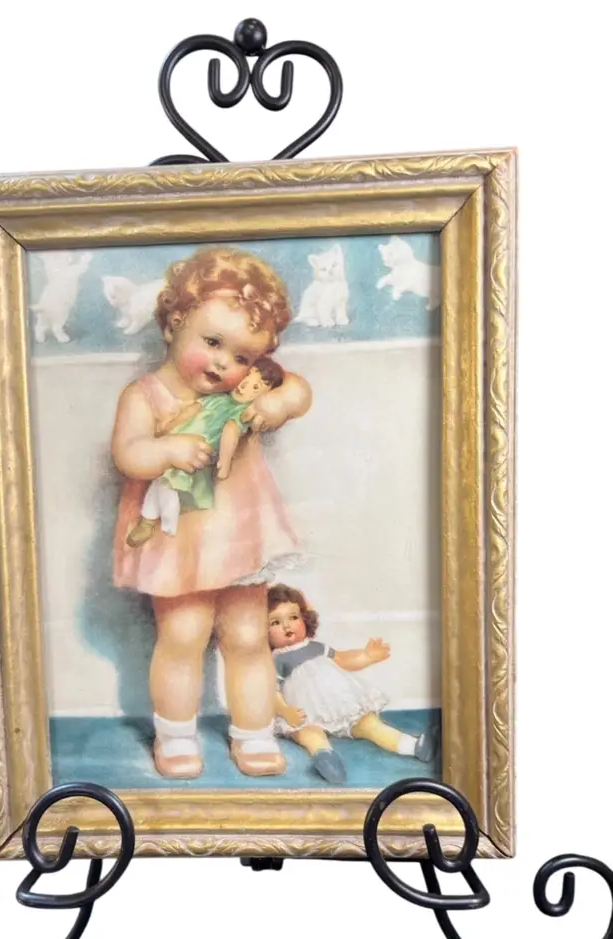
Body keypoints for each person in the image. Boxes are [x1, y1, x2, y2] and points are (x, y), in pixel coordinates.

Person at [111, 246, 312, 779]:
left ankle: (254, 732)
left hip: (240, 538)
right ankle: (176, 735)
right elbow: (128, 453)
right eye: (213, 343)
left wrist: (277, 403)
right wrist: (166, 449)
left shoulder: (244, 394)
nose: (225, 364)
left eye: (243, 357)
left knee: (247, 637)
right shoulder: (146, 394)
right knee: (183, 635)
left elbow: (297, 389)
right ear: (175, 323)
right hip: (176, 542)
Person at [268, 583, 440, 784]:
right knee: (309, 733)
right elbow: (271, 690)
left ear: (305, 618)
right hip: (304, 711)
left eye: (293, 617)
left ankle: (412, 746)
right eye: (276, 622)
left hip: (339, 705)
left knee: (368, 724)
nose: (287, 626)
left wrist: (367, 656)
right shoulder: (277, 660)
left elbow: (343, 659)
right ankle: (324, 756)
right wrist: (285, 710)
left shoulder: (317, 647)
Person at [126, 357, 284, 547]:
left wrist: (225, 462)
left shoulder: (241, 413)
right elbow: (192, 410)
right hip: (175, 442)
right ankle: (154, 524)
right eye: (247, 377)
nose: (245, 386)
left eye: (255, 387)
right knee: (162, 481)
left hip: (195, 452)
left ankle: (166, 525)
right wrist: (170, 426)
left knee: (168, 483)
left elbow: (230, 432)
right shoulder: (218, 398)